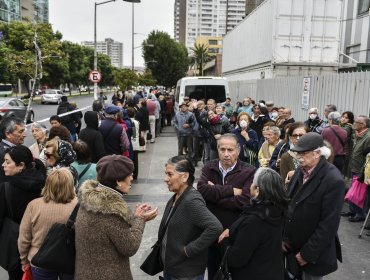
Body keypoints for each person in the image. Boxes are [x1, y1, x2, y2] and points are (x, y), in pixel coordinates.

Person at [74, 155, 158, 280]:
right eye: (129, 175)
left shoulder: (88, 201)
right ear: (118, 181)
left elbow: (112, 234)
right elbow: (129, 247)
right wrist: (141, 219)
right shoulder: (111, 212)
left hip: (85, 273)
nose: (132, 178)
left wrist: (134, 217)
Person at [283, 132, 344, 280]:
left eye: (303, 153)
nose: (298, 157)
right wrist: (283, 238)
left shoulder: (333, 180)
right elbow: (290, 205)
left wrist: (307, 254)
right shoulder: (300, 170)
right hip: (291, 248)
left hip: (311, 255)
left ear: (317, 153)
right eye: (297, 153)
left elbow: (329, 224)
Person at [197, 133, 256, 279]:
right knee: (213, 273)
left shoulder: (249, 171)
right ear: (217, 150)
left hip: (235, 235)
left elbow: (245, 201)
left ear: (238, 151)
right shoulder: (209, 167)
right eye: (222, 150)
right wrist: (231, 191)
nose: (226, 154)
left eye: (230, 150)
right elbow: (202, 190)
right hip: (211, 235)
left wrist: (215, 194)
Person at [218, 168, 289, 280]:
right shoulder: (277, 211)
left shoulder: (254, 221)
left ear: (257, 190)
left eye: (252, 183)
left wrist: (225, 239)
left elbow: (236, 259)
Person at [160, 156, 223, 280]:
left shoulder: (192, 200)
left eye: (170, 174)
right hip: (172, 269)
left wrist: (189, 250)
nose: (165, 179)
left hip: (185, 274)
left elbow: (215, 227)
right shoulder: (177, 195)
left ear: (184, 176)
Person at [18, 168, 78, 280]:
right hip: (70, 260)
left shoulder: (33, 205)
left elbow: (24, 237)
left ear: (48, 183)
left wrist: (24, 260)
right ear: (71, 184)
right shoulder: (80, 206)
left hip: (39, 259)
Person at [0, 145, 46, 280]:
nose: (3, 165)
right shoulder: (44, 184)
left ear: (21, 165)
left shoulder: (6, 189)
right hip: (43, 246)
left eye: (7, 162)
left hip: (16, 248)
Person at [342, 115, 370, 222]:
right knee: (353, 190)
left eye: (357, 122)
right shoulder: (359, 134)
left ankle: (360, 213)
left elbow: (368, 155)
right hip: (354, 167)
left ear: (363, 125)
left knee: (359, 193)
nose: (354, 124)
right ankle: (352, 211)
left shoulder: (368, 137)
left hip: (361, 169)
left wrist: (364, 171)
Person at [0, 117, 27, 181]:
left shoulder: (12, 149)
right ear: (8, 134)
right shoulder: (4, 153)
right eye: (20, 132)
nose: (24, 135)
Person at [340, 111, 355, 178]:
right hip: (344, 150)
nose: (343, 119)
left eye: (346, 118)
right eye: (343, 117)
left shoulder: (347, 127)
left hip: (345, 150)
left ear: (350, 120)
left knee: (343, 169)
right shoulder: (341, 125)